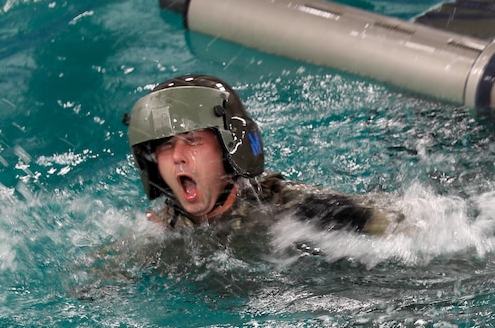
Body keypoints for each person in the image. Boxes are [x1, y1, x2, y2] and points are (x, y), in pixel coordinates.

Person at [125, 74, 397, 234]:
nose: (177, 156)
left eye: (192, 139)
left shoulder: (291, 208)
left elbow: (407, 229)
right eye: (166, 145)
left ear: (227, 150)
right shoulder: (162, 230)